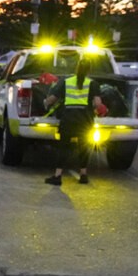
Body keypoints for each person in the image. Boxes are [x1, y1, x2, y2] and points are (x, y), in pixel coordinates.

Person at [43, 56, 104, 186]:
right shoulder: (93, 84)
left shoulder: (66, 81)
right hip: (85, 120)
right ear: (89, 70)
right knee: (84, 147)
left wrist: (45, 103)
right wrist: (91, 108)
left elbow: (52, 98)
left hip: (68, 119)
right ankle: (83, 175)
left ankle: (58, 176)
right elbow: (98, 104)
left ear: (76, 68)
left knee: (63, 148)